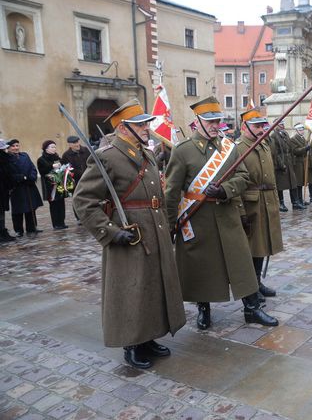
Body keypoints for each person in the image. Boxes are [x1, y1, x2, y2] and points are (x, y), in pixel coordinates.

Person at [73, 99, 186, 369]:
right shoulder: (107, 157)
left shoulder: (145, 153)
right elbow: (83, 200)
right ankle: (131, 343)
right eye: (141, 124)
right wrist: (110, 232)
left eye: (146, 123)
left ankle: (148, 337)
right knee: (131, 289)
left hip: (154, 229)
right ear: (124, 128)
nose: (148, 128)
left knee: (152, 286)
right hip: (129, 233)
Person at [164, 97, 277, 329]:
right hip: (197, 218)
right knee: (202, 266)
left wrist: (224, 190)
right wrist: (169, 226)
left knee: (241, 263)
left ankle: (251, 308)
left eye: (218, 121)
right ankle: (203, 309)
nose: (216, 125)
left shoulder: (229, 148)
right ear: (198, 123)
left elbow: (244, 177)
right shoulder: (182, 151)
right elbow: (172, 191)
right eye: (210, 121)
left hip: (227, 214)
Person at [237, 107, 285, 308]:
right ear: (244, 127)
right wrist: (240, 212)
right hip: (251, 205)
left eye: (262, 126)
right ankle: (251, 288)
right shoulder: (239, 148)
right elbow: (236, 181)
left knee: (263, 245)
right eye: (256, 126)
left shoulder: (263, 145)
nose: (260, 130)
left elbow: (270, 176)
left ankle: (258, 283)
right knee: (251, 249)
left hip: (267, 202)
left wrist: (274, 202)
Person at [6, 139, 43, 236]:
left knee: (31, 207)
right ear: (8, 148)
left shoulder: (25, 155)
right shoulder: (7, 158)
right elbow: (9, 174)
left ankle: (32, 227)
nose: (16, 148)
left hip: (29, 185)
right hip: (17, 188)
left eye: (17, 145)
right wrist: (21, 178)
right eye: (13, 146)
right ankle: (18, 230)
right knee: (18, 210)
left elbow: (32, 168)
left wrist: (32, 177)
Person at [37, 140, 69, 229]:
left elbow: (62, 167)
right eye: (52, 147)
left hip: (59, 184)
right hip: (50, 186)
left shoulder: (57, 157)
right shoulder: (41, 159)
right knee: (54, 205)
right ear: (46, 149)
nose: (54, 149)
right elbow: (42, 171)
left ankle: (62, 222)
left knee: (61, 203)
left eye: (55, 147)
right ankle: (56, 224)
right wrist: (52, 166)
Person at [270, 121, 299, 211]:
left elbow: (290, 149)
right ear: (276, 125)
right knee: (280, 185)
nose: (283, 125)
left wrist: (292, 161)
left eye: (283, 124)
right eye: (281, 124)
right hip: (280, 164)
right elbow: (275, 152)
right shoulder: (274, 136)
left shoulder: (285, 134)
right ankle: (281, 203)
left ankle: (295, 202)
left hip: (289, 162)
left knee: (293, 183)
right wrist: (280, 164)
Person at [290, 123, 310, 208]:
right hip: (297, 163)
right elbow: (295, 150)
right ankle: (297, 201)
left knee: (301, 183)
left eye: (302, 130)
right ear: (297, 131)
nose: (302, 131)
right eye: (300, 130)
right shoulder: (293, 139)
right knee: (298, 183)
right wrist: (305, 149)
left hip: (303, 162)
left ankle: (301, 200)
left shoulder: (303, 139)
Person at [0, 139, 16, 242]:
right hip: (1, 190)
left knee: (1, 212)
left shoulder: (5, 159)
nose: (6, 150)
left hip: (3, 190)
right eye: (5, 149)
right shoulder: (3, 159)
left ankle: (2, 232)